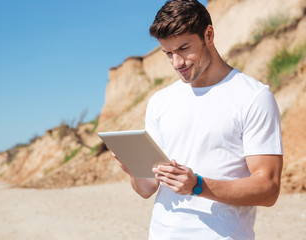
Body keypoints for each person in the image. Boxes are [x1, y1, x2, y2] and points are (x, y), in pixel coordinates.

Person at [113, 0, 283, 239]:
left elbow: (268, 189)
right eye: (168, 53)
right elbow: (148, 188)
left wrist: (198, 185)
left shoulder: (253, 97)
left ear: (209, 34)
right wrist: (133, 172)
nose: (177, 63)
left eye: (184, 48)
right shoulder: (160, 102)